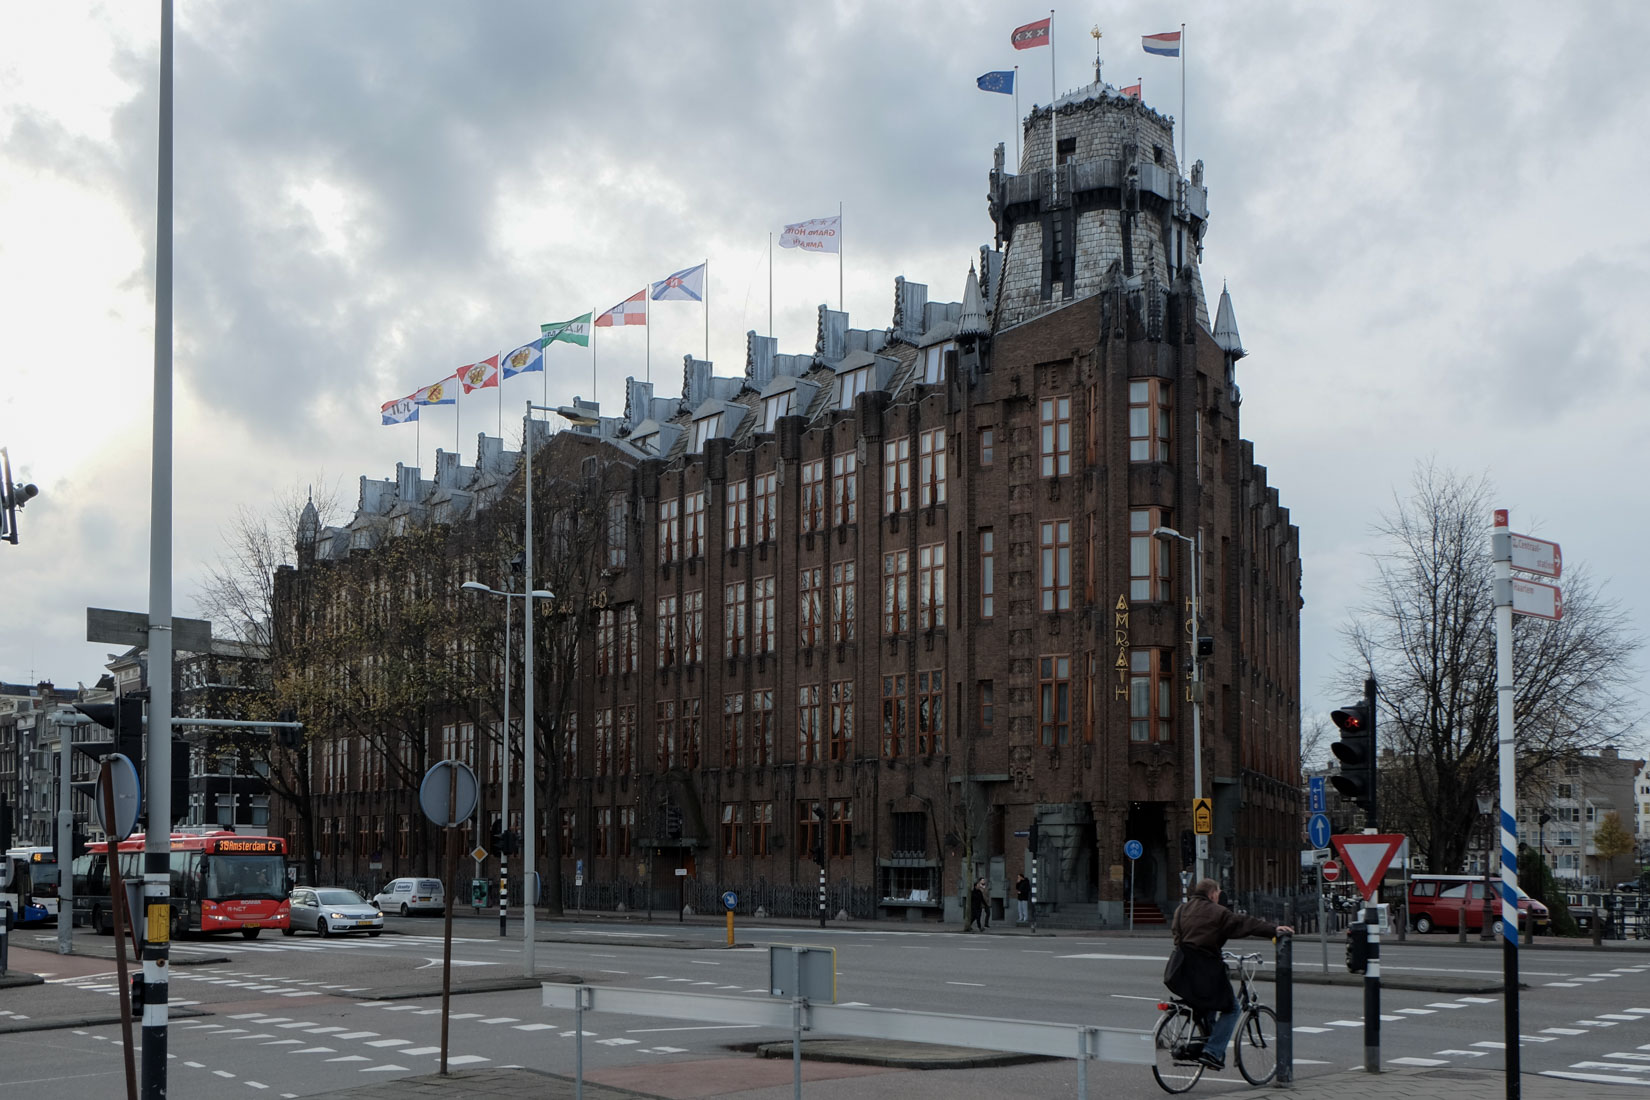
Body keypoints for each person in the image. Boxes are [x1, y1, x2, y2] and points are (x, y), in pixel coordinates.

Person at [1164, 878, 1293, 1072]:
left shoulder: (1181, 910)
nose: (1218, 897)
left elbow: (1177, 937)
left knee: (1205, 1004)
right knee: (1232, 1009)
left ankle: (1202, 1046)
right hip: (1206, 968)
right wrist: (1273, 930)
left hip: (1181, 968)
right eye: (1218, 894)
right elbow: (1245, 924)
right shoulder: (1218, 912)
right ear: (1213, 894)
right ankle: (1213, 1052)